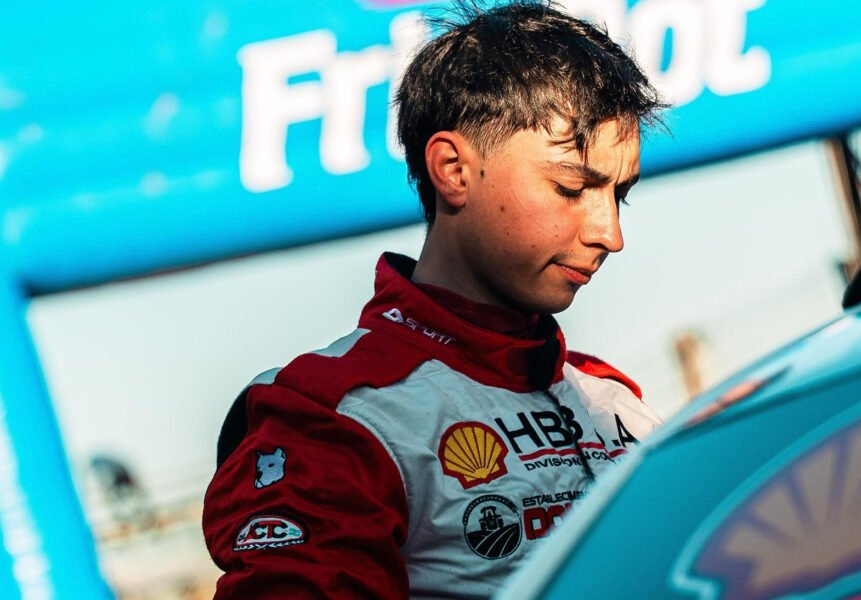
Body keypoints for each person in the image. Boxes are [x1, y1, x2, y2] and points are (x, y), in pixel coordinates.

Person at [203, 1, 666, 597]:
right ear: (452, 170)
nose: (610, 234)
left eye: (619, 194)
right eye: (571, 188)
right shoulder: (335, 416)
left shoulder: (614, 399)